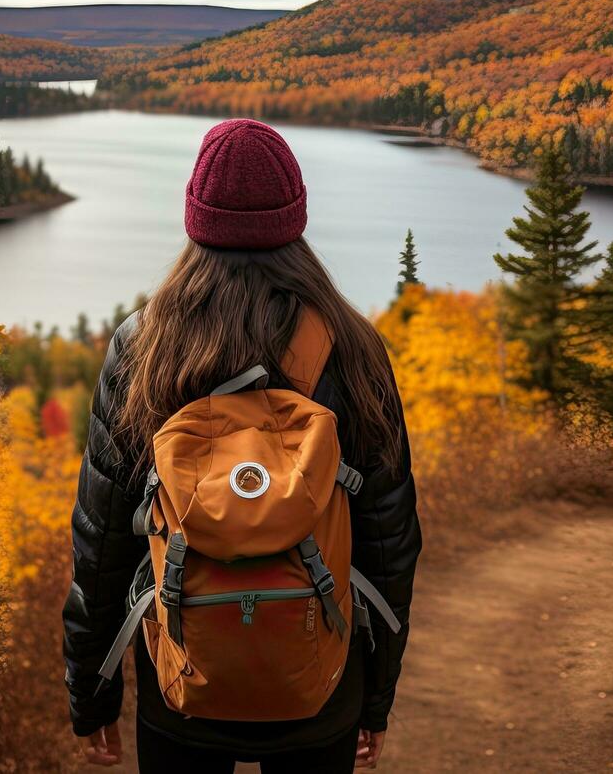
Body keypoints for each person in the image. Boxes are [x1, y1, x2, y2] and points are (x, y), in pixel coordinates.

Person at [62, 118, 422, 772]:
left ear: (197, 218)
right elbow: (389, 541)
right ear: (296, 217)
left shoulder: (144, 349)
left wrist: (92, 693)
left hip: (183, 685)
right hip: (321, 682)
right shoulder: (353, 348)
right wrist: (375, 697)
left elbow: (103, 540)